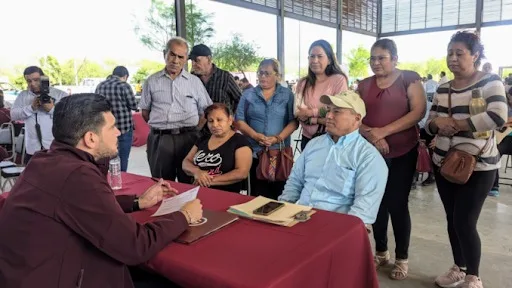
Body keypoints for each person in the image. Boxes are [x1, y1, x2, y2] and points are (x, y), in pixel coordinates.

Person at [0, 93, 203, 288]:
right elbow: (135, 246)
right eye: (112, 127)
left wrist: (137, 202)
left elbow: (79, 206)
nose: (119, 132)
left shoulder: (46, 160)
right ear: (90, 138)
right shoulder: (76, 174)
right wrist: (184, 216)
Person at [425, 31, 507, 288]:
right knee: (452, 219)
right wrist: (437, 124)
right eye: (450, 53)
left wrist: (458, 124)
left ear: (476, 55)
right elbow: (429, 124)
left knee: (465, 220)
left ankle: (474, 275)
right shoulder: (443, 88)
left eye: (460, 53)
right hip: (444, 162)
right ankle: (458, 267)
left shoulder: (490, 82)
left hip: (478, 165)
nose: (453, 58)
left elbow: (498, 117)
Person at [357, 38, 426, 280]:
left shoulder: (409, 78)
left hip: (403, 152)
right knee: (376, 204)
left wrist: (383, 132)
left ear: (395, 59)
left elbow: (418, 112)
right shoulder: (364, 85)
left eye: (381, 58)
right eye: (372, 58)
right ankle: (381, 251)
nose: (376, 63)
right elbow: (355, 118)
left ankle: (402, 257)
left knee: (397, 204)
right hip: (371, 154)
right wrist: (371, 135)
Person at [279, 91, 388, 224]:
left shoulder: (368, 158)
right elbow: (295, 182)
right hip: (298, 219)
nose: (329, 116)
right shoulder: (314, 145)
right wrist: (281, 211)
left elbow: (362, 212)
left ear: (357, 118)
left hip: (336, 227)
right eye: (328, 110)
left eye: (337, 111)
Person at [140, 37, 213, 183]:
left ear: (186, 59)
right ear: (164, 54)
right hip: (160, 140)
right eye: (172, 54)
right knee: (161, 184)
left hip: (189, 139)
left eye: (181, 57)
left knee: (189, 183)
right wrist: (162, 128)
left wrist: (195, 130)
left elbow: (205, 111)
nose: (175, 60)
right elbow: (145, 112)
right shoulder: (151, 81)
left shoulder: (194, 82)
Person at [235, 58, 298, 200]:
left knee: (281, 196)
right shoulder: (248, 94)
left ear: (277, 76)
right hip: (255, 153)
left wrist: (278, 138)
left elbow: (293, 121)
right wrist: (256, 136)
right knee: (257, 196)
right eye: (260, 73)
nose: (263, 77)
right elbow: (239, 120)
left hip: (280, 154)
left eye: (267, 73)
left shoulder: (286, 94)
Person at [182, 103, 252, 193]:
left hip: (225, 194)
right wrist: (197, 172)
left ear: (230, 120)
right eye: (210, 121)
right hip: (196, 190)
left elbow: (241, 173)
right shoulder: (203, 139)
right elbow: (186, 162)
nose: (214, 125)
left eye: (219, 120)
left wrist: (207, 181)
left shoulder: (240, 142)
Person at [295, 40, 348, 151]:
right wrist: (321, 117)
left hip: (330, 139)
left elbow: (338, 111)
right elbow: (297, 112)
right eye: (312, 56)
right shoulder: (303, 83)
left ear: (329, 60)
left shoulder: (338, 80)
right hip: (307, 140)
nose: (315, 60)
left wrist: (311, 114)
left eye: (320, 56)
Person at [10, 66, 67, 164]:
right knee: (32, 178)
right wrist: (31, 108)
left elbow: (69, 118)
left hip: (55, 148)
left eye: (36, 80)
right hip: (33, 149)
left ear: (43, 78)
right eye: (29, 81)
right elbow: (13, 115)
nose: (32, 84)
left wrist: (52, 110)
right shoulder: (23, 96)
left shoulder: (60, 95)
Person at [95, 66, 138, 172]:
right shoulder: (124, 86)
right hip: (123, 128)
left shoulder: (100, 85)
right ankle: (121, 181)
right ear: (125, 76)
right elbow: (133, 105)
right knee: (122, 159)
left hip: (105, 129)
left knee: (106, 159)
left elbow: (95, 104)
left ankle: (106, 181)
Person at [190, 44, 241, 113]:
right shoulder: (191, 78)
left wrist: (231, 117)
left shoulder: (225, 77)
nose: (193, 64)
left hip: (221, 123)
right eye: (191, 60)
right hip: (198, 123)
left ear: (209, 59)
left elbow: (240, 100)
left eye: (197, 60)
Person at [490, 86, 512, 197]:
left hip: (506, 136)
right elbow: (498, 122)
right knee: (494, 154)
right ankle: (494, 186)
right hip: (504, 138)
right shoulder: (504, 107)